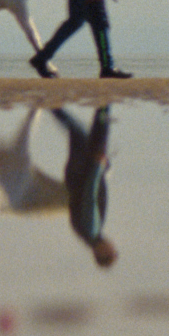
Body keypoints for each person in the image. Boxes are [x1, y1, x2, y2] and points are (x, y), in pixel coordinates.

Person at [51, 106, 117, 268]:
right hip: (79, 172)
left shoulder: (91, 230)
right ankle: (105, 96)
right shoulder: (86, 235)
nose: (113, 246)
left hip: (84, 169)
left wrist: (98, 167)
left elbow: (90, 195)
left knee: (80, 130)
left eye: (112, 251)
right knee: (96, 130)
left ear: (101, 253)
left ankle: (50, 103)